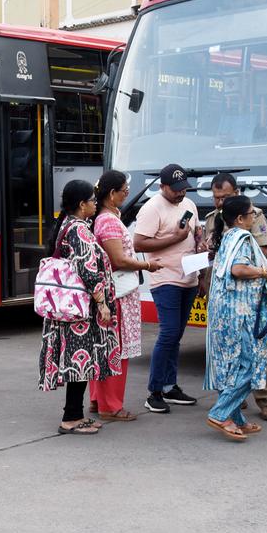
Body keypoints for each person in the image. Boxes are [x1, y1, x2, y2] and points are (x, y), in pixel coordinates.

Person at [39, 180, 120, 435]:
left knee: (80, 363)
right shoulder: (80, 231)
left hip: (70, 309)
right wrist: (102, 303)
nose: (95, 204)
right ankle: (70, 418)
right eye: (92, 201)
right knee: (80, 362)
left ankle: (75, 413)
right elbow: (88, 270)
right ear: (82, 204)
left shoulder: (67, 224)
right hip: (81, 312)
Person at [204, 195, 267, 441]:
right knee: (250, 365)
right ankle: (219, 413)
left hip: (224, 313)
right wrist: (264, 272)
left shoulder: (227, 236)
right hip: (240, 314)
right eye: (250, 214)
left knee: (232, 366)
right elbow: (238, 269)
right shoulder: (243, 237)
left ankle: (235, 417)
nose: (253, 217)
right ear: (240, 218)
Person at [133, 163, 203, 413]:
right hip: (165, 278)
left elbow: (196, 233)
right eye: (175, 190)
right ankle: (154, 391)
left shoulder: (190, 205)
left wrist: (200, 243)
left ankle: (170, 386)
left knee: (176, 336)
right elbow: (139, 243)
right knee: (169, 333)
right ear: (162, 186)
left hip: (190, 277)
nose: (180, 193)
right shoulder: (152, 208)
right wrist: (174, 238)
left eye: (183, 188)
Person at [90, 171, 160, 421]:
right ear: (111, 194)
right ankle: (111, 406)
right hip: (117, 295)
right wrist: (147, 266)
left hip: (112, 293)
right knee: (115, 350)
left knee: (106, 347)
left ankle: (98, 400)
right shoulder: (107, 221)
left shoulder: (106, 216)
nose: (127, 193)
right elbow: (117, 260)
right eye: (124, 190)